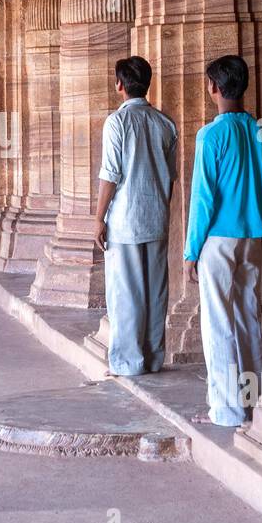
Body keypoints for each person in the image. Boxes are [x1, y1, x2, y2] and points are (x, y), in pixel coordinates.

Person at [181, 55, 262, 427]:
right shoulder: (260, 129)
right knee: (248, 316)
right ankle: (256, 402)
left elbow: (203, 197)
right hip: (250, 235)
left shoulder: (210, 135)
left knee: (218, 323)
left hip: (217, 238)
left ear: (213, 88)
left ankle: (227, 409)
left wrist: (190, 251)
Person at [94, 56, 178, 377]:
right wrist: (160, 208)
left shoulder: (117, 123)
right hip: (155, 216)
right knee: (156, 290)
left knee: (126, 292)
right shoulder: (165, 123)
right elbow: (169, 177)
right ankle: (153, 356)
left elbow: (111, 175)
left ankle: (129, 362)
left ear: (119, 85)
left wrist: (99, 217)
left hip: (126, 221)